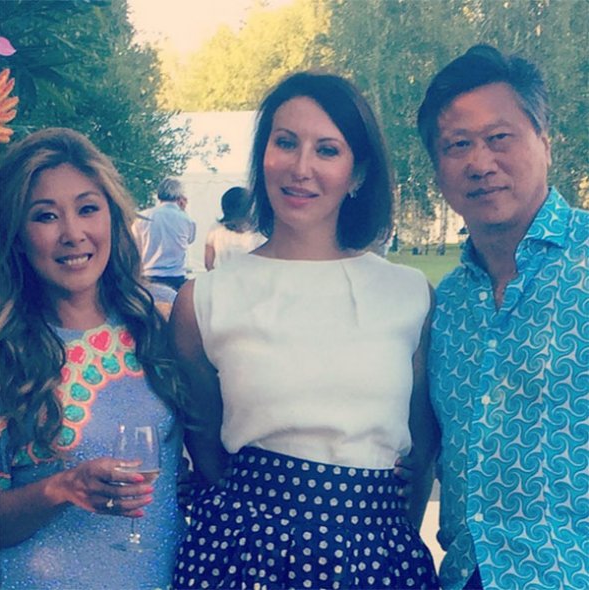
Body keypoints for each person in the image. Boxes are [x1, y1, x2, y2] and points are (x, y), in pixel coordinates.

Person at [171, 71, 440, 590]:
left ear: (358, 173)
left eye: (327, 150)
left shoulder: (409, 295)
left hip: (375, 558)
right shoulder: (205, 300)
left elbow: (421, 449)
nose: (300, 168)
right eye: (286, 142)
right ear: (263, 155)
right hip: (244, 555)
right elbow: (203, 442)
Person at [417, 45, 589, 589]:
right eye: (457, 144)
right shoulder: (445, 305)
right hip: (468, 574)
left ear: (545, 141)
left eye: (499, 137)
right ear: (438, 170)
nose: (480, 162)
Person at [0, 128, 188, 589]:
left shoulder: (159, 323)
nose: (73, 233)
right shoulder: (7, 348)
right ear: (18, 236)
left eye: (87, 209)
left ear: (113, 218)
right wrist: (61, 488)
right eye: (46, 216)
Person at [132, 177, 196, 291]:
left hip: (147, 275)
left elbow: (135, 244)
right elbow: (190, 240)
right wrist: (183, 211)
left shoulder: (142, 218)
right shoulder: (186, 220)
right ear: (180, 196)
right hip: (175, 276)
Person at [204, 186, 266, 270]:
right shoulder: (258, 233)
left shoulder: (215, 229)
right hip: (248, 277)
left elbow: (208, 263)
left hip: (223, 276)